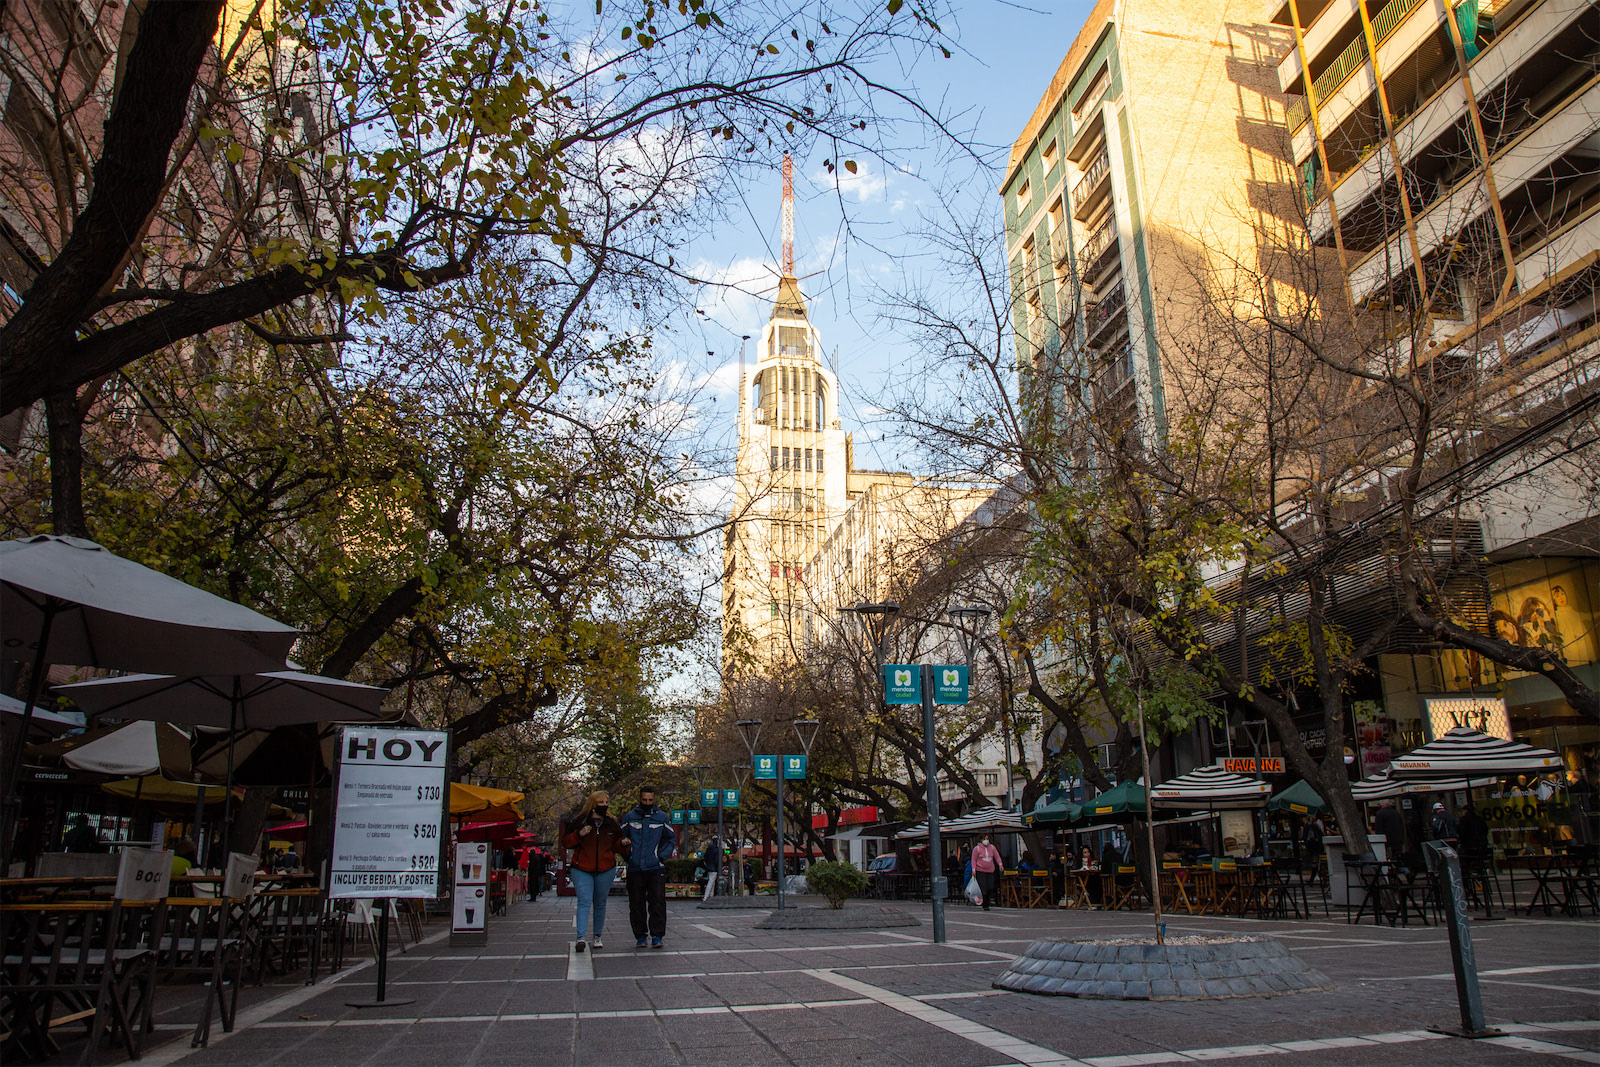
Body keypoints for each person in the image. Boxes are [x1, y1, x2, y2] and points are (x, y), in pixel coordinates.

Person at [560, 791, 629, 952]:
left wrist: (623, 843)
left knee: (600, 902)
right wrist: (579, 834)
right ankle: (581, 937)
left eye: (606, 802)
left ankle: (597, 935)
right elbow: (566, 842)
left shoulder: (611, 823)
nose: (604, 805)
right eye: (601, 802)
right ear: (593, 804)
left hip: (606, 868)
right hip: (582, 867)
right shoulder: (580, 822)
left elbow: (616, 844)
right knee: (584, 901)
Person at [621, 786, 676, 949]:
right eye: (644, 800)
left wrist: (661, 857)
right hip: (635, 868)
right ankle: (640, 936)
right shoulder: (630, 817)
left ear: (654, 800)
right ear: (639, 799)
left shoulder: (662, 818)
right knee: (636, 904)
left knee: (657, 902)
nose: (647, 803)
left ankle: (657, 935)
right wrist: (628, 857)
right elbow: (619, 839)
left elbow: (671, 839)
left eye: (650, 800)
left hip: (655, 868)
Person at [970, 835, 1002, 911]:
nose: (986, 840)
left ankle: (987, 899)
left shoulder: (992, 848)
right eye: (984, 839)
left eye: (987, 839)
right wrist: (974, 870)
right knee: (984, 887)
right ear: (981, 840)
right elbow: (973, 860)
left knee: (990, 886)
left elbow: (997, 856)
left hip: (990, 870)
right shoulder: (977, 849)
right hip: (980, 870)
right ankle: (985, 904)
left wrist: (1000, 864)